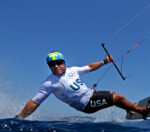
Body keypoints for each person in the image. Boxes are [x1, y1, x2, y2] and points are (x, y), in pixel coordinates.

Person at [15, 52, 150, 119]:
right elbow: (35, 102)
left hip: (92, 95)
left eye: (59, 63)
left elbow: (90, 67)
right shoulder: (49, 83)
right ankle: (141, 111)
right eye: (52, 64)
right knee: (118, 98)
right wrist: (20, 117)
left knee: (114, 95)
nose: (56, 66)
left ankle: (130, 109)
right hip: (85, 105)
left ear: (64, 62)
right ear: (49, 66)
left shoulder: (73, 70)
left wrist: (104, 61)